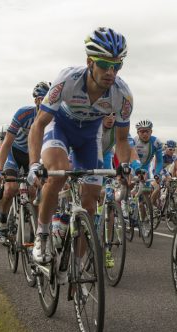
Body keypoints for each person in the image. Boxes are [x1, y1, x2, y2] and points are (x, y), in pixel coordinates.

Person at [27, 27, 133, 264]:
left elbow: (122, 139)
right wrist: (34, 164)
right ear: (89, 62)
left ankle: (77, 264)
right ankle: (42, 234)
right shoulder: (67, 79)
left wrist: (125, 166)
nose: (111, 72)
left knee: (90, 203)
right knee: (58, 174)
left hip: (89, 137)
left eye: (117, 65)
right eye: (105, 64)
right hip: (61, 128)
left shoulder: (122, 94)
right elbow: (38, 125)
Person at [0, 82, 50, 243]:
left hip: (34, 157)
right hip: (15, 154)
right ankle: (2, 221)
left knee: (34, 193)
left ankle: (36, 232)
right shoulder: (23, 114)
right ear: (36, 101)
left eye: (47, 99)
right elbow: (6, 143)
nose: (44, 102)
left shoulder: (52, 117)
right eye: (41, 99)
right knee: (10, 188)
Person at [131, 120, 164, 204]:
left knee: (146, 193)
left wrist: (157, 174)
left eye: (147, 131)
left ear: (151, 132)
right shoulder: (133, 141)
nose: (145, 134)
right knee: (130, 187)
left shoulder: (156, 142)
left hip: (146, 168)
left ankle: (144, 214)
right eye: (142, 131)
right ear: (138, 132)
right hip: (133, 167)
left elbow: (160, 161)